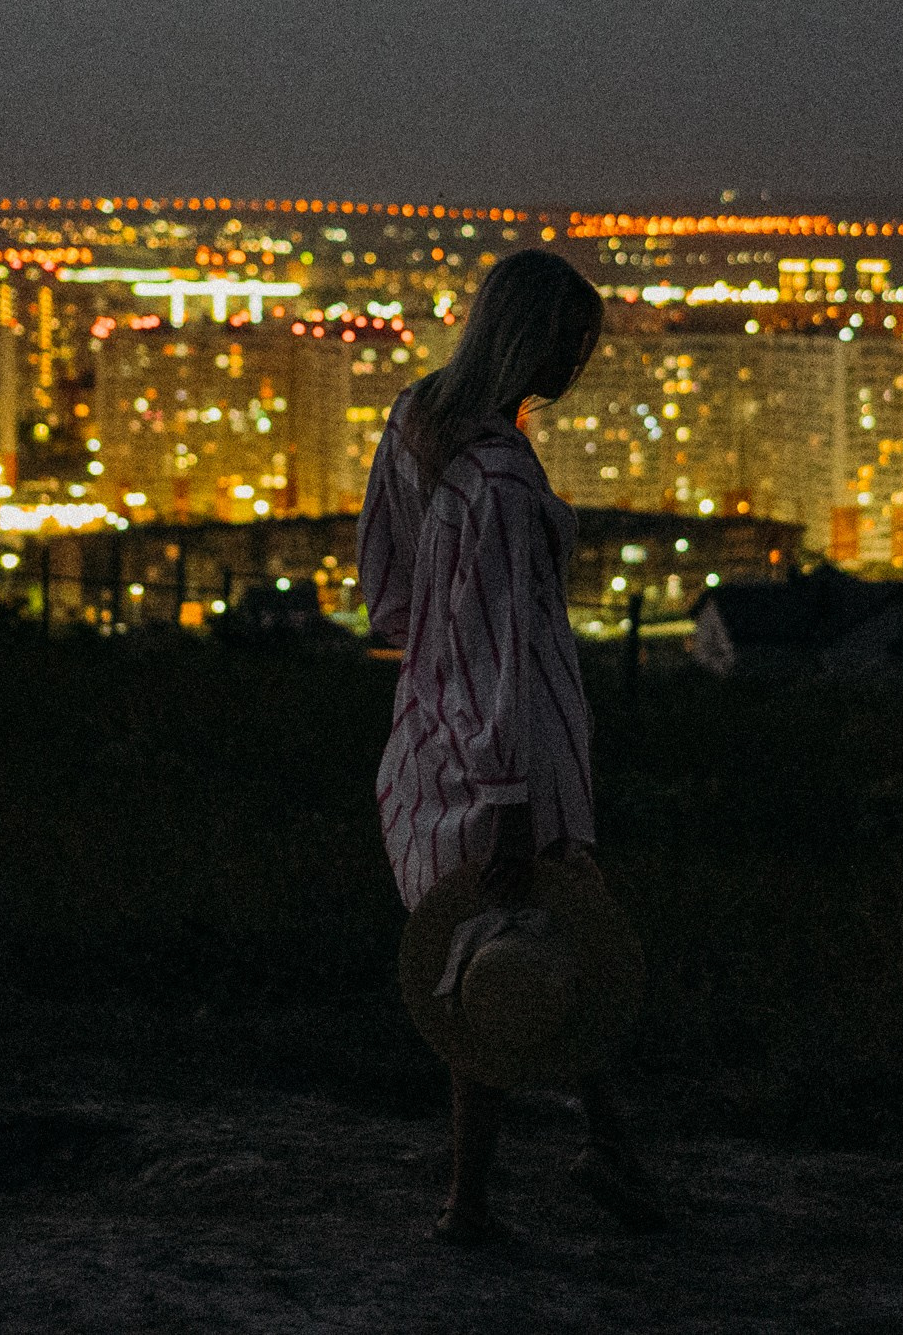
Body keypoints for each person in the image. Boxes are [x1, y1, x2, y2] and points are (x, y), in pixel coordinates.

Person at [356, 248, 664, 1245]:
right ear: (533, 339)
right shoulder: (498, 478)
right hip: (511, 750)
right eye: (573, 344)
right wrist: (506, 795)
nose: (578, 365)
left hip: (427, 726)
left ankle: (602, 1154)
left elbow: (388, 593)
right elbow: (502, 645)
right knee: (504, 964)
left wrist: (435, 679)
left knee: (523, 957)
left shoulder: (415, 423)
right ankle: (472, 1203)